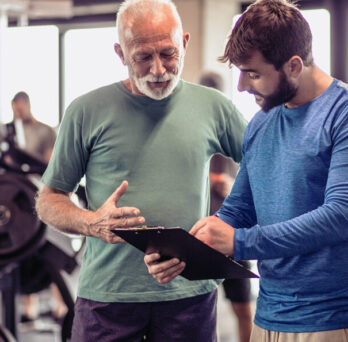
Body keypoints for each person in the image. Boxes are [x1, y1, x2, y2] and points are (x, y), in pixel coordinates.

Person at [35, 0, 247, 341]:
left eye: (168, 53)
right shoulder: (85, 111)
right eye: (143, 57)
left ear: (185, 43)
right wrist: (91, 222)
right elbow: (48, 199)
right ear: (120, 53)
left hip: (189, 296)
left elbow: (264, 168)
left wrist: (230, 222)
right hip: (108, 298)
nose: (159, 69)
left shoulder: (214, 107)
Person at [145, 0, 348, 341]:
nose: (240, 86)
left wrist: (240, 242)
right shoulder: (261, 123)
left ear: (294, 66)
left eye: (252, 73)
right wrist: (186, 250)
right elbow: (240, 208)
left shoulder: (340, 114)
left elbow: (340, 214)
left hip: (328, 319)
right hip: (267, 316)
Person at [200, 71, 253, 342]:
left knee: (242, 306)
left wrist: (229, 183)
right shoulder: (196, 131)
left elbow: (250, 176)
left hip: (232, 231)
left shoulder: (236, 129)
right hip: (203, 230)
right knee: (204, 307)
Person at [10, 91, 67, 322]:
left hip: (42, 195)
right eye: (14, 109)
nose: (17, 112)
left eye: (20, 108)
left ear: (28, 106)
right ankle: (29, 310)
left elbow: (51, 165)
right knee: (22, 257)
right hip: (20, 203)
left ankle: (61, 306)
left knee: (54, 252)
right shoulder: (11, 133)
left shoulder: (44, 131)